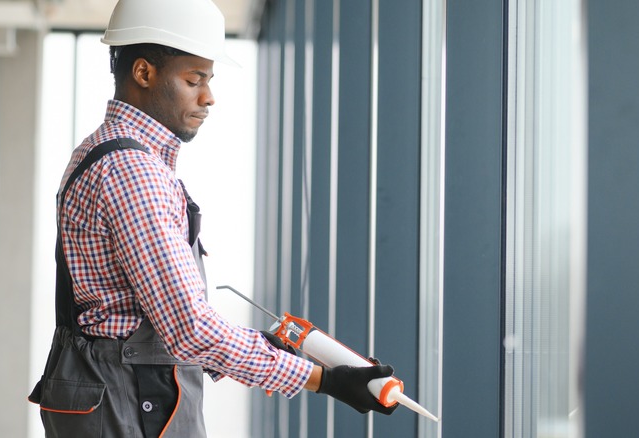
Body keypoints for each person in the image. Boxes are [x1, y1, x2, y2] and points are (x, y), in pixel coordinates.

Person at [28, 0, 396, 436]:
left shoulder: (103, 151)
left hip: (122, 394)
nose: (209, 97)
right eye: (193, 79)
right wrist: (325, 381)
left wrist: (264, 347)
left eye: (209, 80)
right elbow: (188, 329)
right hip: (131, 401)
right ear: (143, 73)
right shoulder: (133, 170)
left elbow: (149, 315)